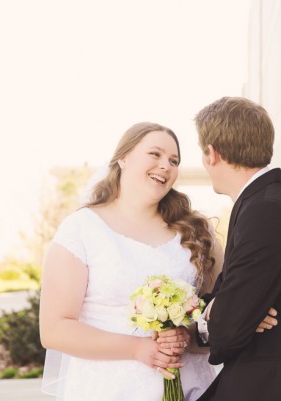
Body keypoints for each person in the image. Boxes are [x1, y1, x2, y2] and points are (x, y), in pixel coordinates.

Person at [39, 123, 223, 401]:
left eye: (174, 161)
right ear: (123, 158)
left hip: (191, 389)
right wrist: (138, 348)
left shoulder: (197, 232)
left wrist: (186, 335)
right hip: (108, 390)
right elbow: (54, 330)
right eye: (155, 154)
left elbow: (218, 311)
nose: (166, 166)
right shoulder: (82, 229)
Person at [192, 97, 281, 401]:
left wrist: (226, 314)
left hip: (272, 389)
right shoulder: (260, 203)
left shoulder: (265, 212)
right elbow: (224, 305)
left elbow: (226, 330)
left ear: (212, 153)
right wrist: (223, 310)